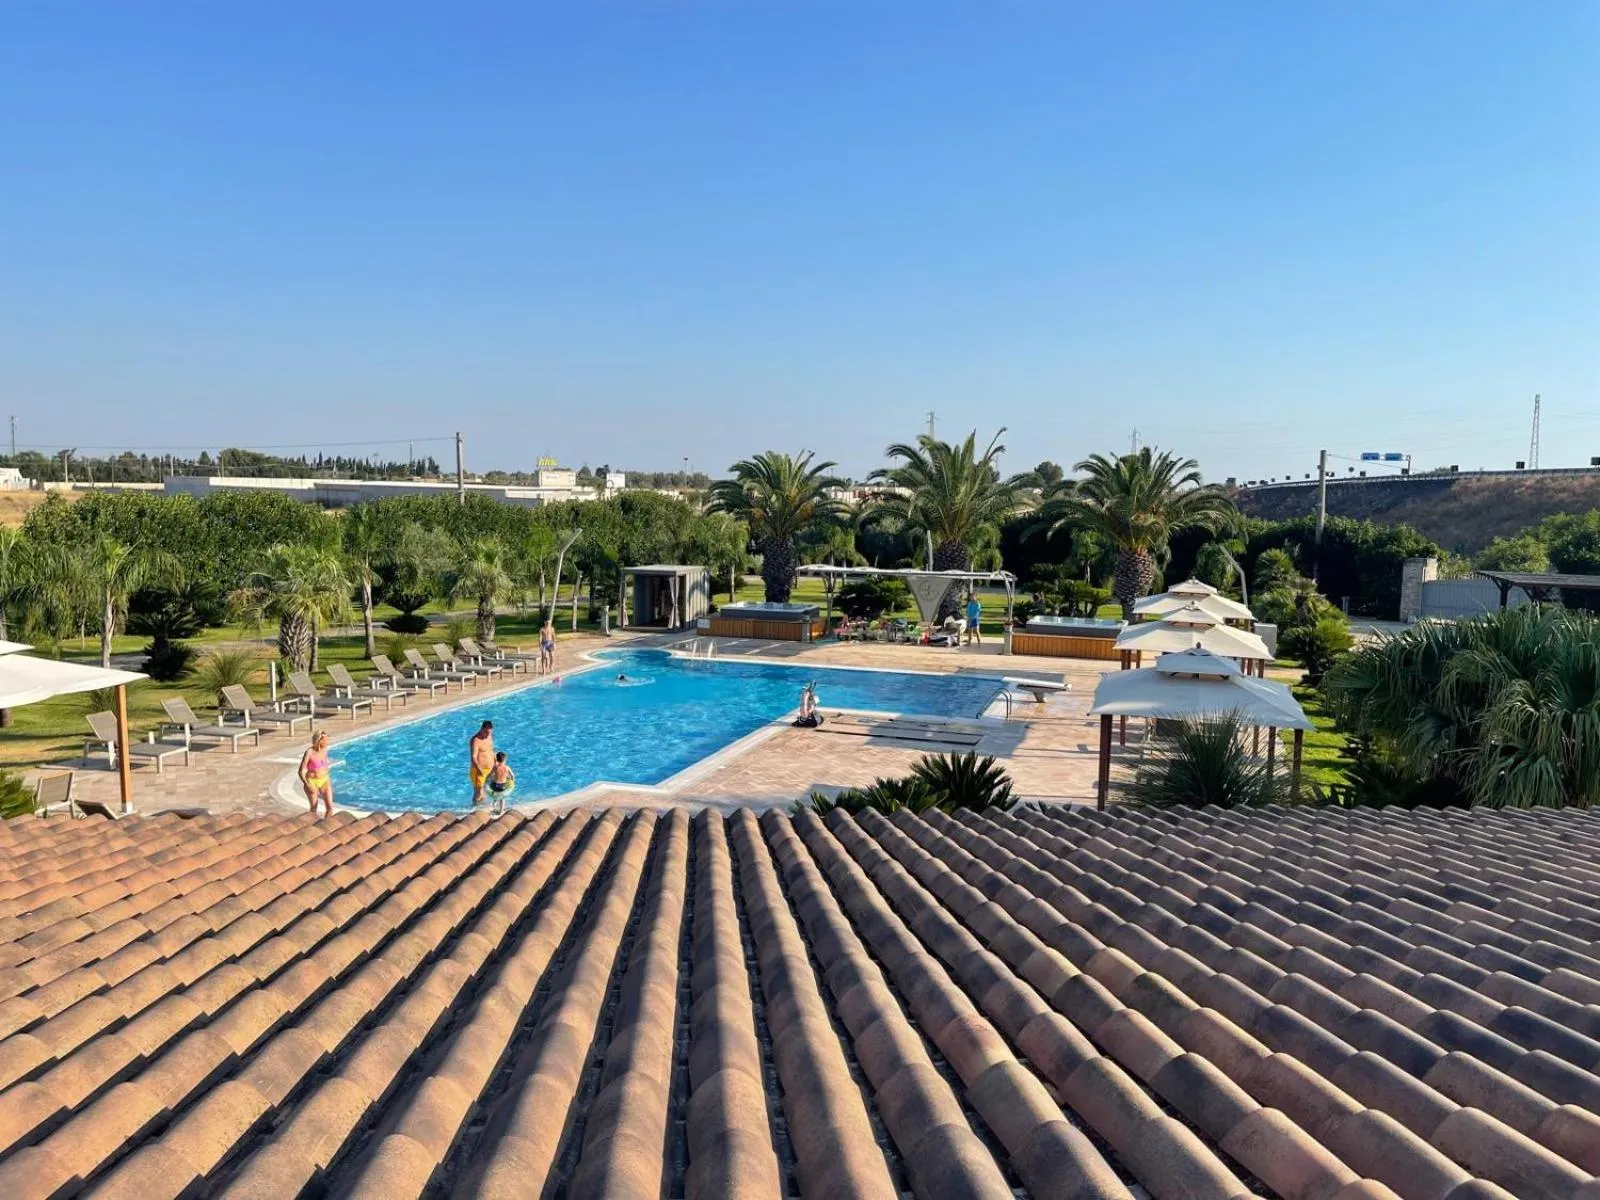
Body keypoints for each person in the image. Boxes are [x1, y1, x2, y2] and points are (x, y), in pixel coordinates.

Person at [298, 731, 335, 819]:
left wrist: (327, 776)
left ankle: (327, 827)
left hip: (324, 780)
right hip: (312, 781)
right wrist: (307, 784)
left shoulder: (325, 750)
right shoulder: (309, 752)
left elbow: (325, 765)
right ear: (319, 741)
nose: (327, 743)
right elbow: (301, 771)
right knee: (314, 808)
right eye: (325, 741)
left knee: (330, 808)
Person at [469, 720, 495, 805]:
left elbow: (490, 751)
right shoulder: (476, 740)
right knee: (478, 792)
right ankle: (474, 810)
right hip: (479, 770)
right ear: (482, 729)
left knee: (488, 790)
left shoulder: (489, 736)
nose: (488, 735)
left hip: (490, 769)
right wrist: (479, 769)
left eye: (490, 732)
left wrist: (496, 763)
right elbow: (473, 757)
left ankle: (483, 807)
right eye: (486, 732)